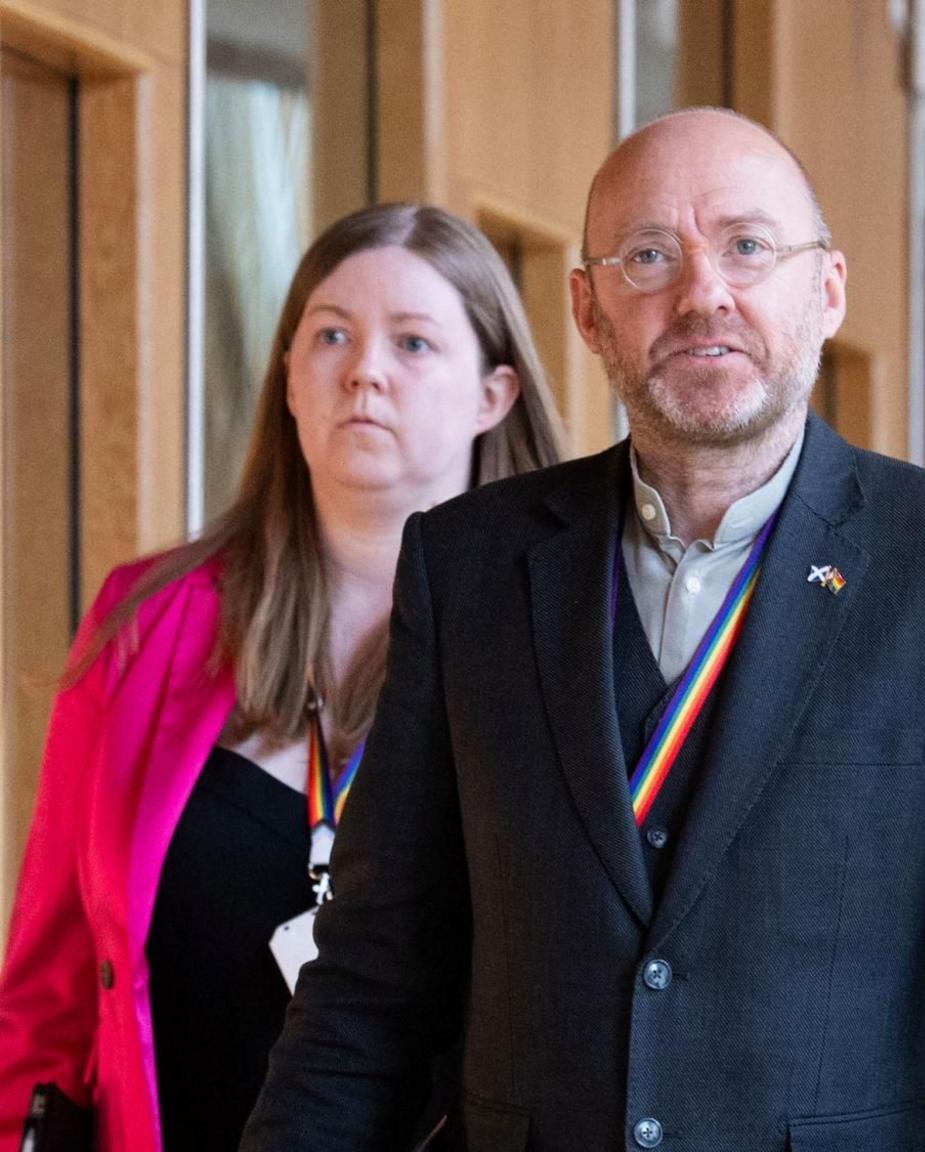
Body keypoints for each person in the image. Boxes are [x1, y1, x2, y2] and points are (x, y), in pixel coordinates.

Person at [241, 108, 925, 1152]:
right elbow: (373, 976)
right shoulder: (469, 566)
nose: (702, 292)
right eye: (649, 255)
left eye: (748, 247)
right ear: (585, 307)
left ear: (828, 288)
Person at [0, 202, 566, 1152]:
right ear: (291, 383)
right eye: (331, 335)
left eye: (415, 343)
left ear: (494, 394)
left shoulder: (559, 642)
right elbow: (51, 978)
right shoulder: (147, 619)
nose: (364, 371)